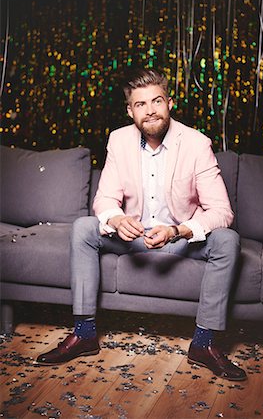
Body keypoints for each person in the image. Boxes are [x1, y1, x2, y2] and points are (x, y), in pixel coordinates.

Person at [37, 68, 247, 381]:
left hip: (179, 241)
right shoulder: (119, 140)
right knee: (83, 227)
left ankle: (204, 344)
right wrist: (117, 218)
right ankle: (84, 334)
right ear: (130, 110)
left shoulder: (196, 143)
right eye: (140, 104)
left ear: (170, 103)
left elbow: (222, 211)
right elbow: (104, 200)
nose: (149, 110)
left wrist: (178, 230)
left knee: (228, 240)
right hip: (133, 237)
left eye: (156, 101)